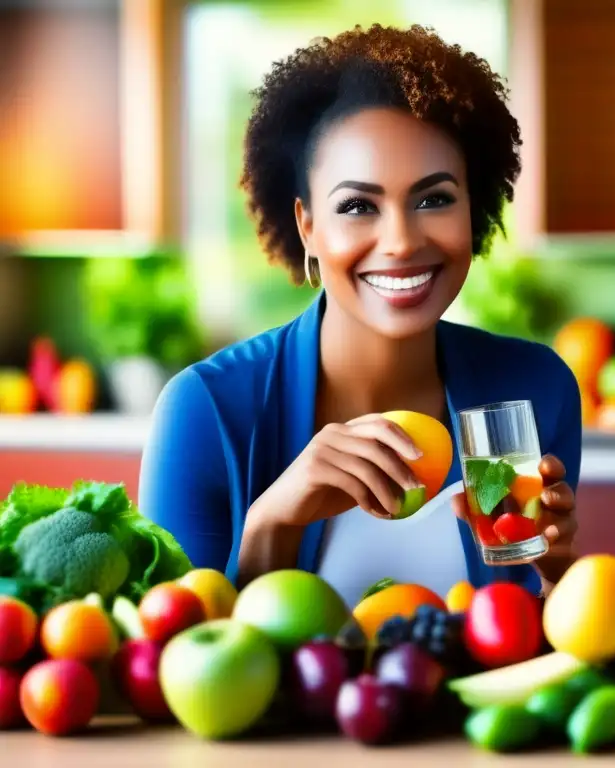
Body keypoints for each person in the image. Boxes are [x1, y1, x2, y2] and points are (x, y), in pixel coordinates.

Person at [137, 24, 582, 608]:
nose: (399, 241)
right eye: (356, 206)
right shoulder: (207, 412)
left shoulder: (530, 389)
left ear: (474, 208)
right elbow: (176, 675)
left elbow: (527, 652)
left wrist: (555, 581)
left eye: (434, 198)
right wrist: (273, 524)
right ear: (308, 226)